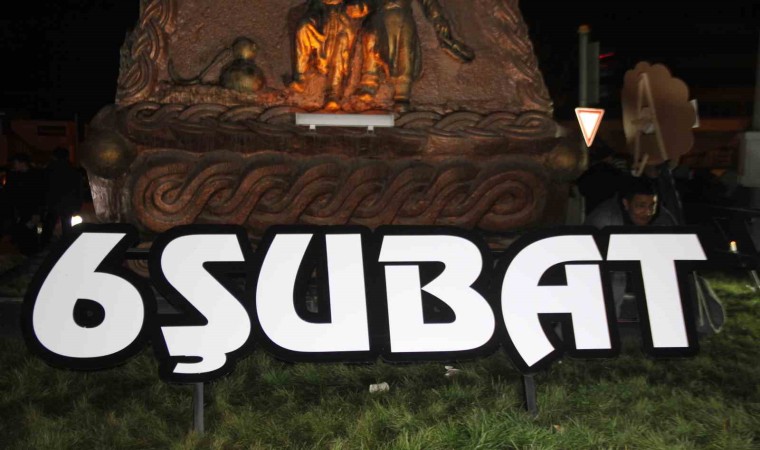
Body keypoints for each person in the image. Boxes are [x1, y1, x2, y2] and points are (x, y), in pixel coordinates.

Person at [585, 176, 677, 320]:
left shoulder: (664, 220)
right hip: (609, 274)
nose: (647, 212)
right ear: (626, 204)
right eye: (641, 206)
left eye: (652, 205)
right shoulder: (603, 220)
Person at [355, 0, 474, 111]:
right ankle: (369, 82)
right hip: (378, 17)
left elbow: (428, 2)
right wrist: (360, 6)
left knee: (404, 53)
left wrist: (437, 18)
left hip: (402, 17)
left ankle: (402, 94)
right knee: (371, 39)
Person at [292, 0, 371, 110]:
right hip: (321, 12)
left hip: (344, 16)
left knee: (341, 41)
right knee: (304, 27)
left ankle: (334, 91)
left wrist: (360, 6)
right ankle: (301, 75)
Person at [41, 148, 82, 246]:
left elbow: (44, 188)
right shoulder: (73, 170)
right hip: (68, 203)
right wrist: (77, 205)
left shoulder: (50, 170)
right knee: (67, 227)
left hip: (53, 202)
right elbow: (79, 189)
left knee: (48, 226)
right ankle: (67, 245)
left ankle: (44, 246)